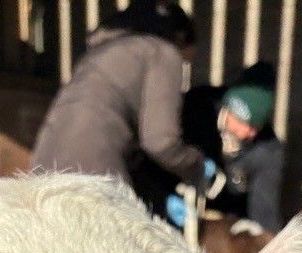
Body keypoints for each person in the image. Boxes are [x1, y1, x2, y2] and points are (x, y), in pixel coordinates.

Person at [31, 0, 210, 201]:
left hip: (43, 164)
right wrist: (197, 166)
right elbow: (161, 143)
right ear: (181, 37)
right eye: (186, 60)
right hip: (92, 170)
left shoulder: (102, 51)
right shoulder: (162, 52)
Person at [182, 62, 285, 233]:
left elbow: (265, 216)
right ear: (230, 106)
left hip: (226, 225)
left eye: (257, 128)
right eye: (246, 124)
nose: (251, 134)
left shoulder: (268, 153)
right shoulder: (197, 107)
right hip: (181, 203)